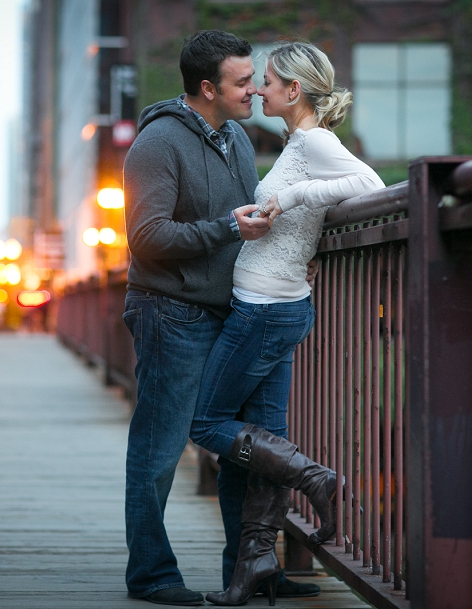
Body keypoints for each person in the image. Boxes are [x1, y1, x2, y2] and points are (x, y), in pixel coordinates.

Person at [122, 30, 319, 607]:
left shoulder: (234, 136)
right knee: (159, 449)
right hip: (170, 312)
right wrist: (229, 228)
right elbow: (148, 239)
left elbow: (259, 215)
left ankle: (251, 568)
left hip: (232, 312)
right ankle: (151, 575)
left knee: (244, 445)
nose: (255, 90)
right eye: (242, 81)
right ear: (207, 88)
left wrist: (292, 254)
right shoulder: (157, 144)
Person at [189, 41, 385, 606]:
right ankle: (256, 566)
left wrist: (296, 196)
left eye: (267, 81)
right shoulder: (298, 142)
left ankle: (316, 479)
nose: (257, 89)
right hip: (280, 306)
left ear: (294, 91)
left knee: (206, 425)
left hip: (264, 310)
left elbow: (370, 186)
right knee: (264, 441)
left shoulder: (316, 142)